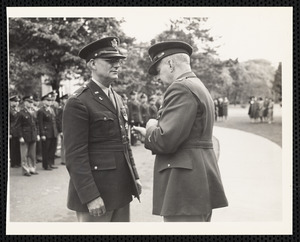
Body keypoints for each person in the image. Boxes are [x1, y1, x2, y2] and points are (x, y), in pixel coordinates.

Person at [133, 41, 228, 222]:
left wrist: (151, 126)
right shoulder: (197, 85)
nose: (158, 78)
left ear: (170, 64)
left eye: (159, 70)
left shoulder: (180, 87)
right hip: (198, 179)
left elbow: (165, 140)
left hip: (184, 185)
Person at [63, 36, 142, 222]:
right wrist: (90, 196)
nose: (117, 65)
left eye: (118, 61)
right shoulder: (79, 101)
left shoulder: (118, 98)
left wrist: (134, 177)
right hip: (97, 193)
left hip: (121, 189)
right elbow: (75, 155)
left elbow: (124, 144)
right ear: (92, 64)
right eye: (110, 61)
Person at [17, 96, 40, 176]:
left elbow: (36, 124)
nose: (30, 104)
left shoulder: (33, 112)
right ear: (25, 103)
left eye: (31, 102)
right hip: (25, 136)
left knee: (32, 154)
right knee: (24, 154)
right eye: (29, 102)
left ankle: (32, 169)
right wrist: (20, 136)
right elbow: (18, 126)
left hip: (33, 135)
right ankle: (25, 170)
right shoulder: (21, 113)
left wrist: (37, 134)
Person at [37, 93, 59, 170]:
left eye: (50, 100)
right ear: (43, 101)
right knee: (46, 149)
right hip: (46, 133)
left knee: (52, 149)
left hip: (53, 132)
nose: (49, 102)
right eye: (47, 100)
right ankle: (46, 165)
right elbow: (40, 123)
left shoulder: (52, 109)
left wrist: (57, 131)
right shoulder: (41, 111)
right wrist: (42, 134)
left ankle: (51, 163)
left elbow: (54, 121)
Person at [9, 95, 21, 168]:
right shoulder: (9, 110)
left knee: (18, 147)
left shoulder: (18, 109)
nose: (16, 103)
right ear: (11, 102)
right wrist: (9, 132)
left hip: (18, 131)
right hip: (12, 130)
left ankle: (18, 161)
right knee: (13, 147)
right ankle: (13, 163)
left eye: (17, 101)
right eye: (15, 101)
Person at [56, 94, 68, 165]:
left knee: (67, 144)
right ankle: (63, 160)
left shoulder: (68, 107)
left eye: (67, 99)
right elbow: (59, 120)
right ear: (62, 100)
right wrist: (60, 130)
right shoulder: (61, 109)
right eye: (65, 99)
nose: (66, 100)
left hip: (68, 128)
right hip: (63, 129)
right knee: (63, 145)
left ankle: (67, 159)